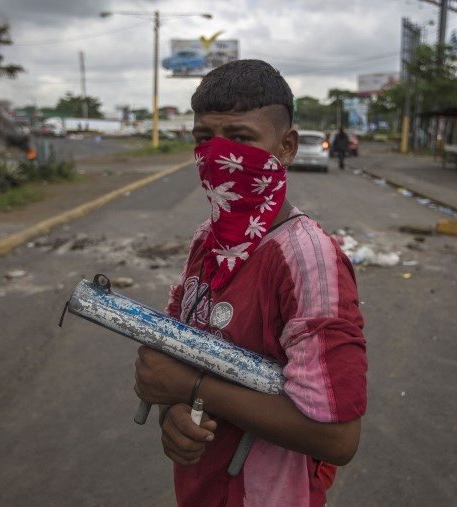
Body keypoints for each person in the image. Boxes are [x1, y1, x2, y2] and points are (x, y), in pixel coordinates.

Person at [133, 60, 367, 507]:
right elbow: (177, 358)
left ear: (287, 147)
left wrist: (190, 388)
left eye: (241, 139)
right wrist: (174, 418)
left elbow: (338, 437)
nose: (219, 156)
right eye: (205, 140)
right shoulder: (207, 239)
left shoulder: (308, 258)